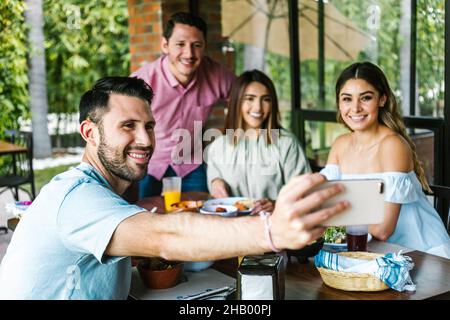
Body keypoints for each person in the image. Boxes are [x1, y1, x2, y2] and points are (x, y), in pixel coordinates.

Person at [0, 76, 349, 299]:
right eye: (128, 126)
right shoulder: (76, 196)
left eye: (149, 126)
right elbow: (167, 237)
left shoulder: (107, 194)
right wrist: (272, 231)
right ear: (90, 133)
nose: (144, 139)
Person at [321, 61, 450, 258]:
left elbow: (382, 230)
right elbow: (324, 200)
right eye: (347, 99)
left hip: (421, 255)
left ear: (382, 99)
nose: (355, 108)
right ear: (339, 103)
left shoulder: (392, 145)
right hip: (371, 253)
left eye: (365, 98)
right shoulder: (340, 144)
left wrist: (333, 216)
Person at [131, 12, 236, 199]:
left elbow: (246, 99)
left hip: (191, 164)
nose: (189, 54)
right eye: (180, 44)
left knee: (203, 215)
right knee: (144, 217)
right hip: (148, 163)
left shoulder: (216, 75)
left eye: (197, 45)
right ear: (165, 45)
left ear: (204, 47)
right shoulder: (142, 81)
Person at [205, 70, 311, 213]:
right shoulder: (218, 146)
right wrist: (216, 183)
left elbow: (305, 193)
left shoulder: (286, 144)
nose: (258, 108)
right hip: (232, 229)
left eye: (266, 99)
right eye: (250, 99)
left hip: (275, 228)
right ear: (237, 102)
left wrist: (275, 204)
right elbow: (214, 178)